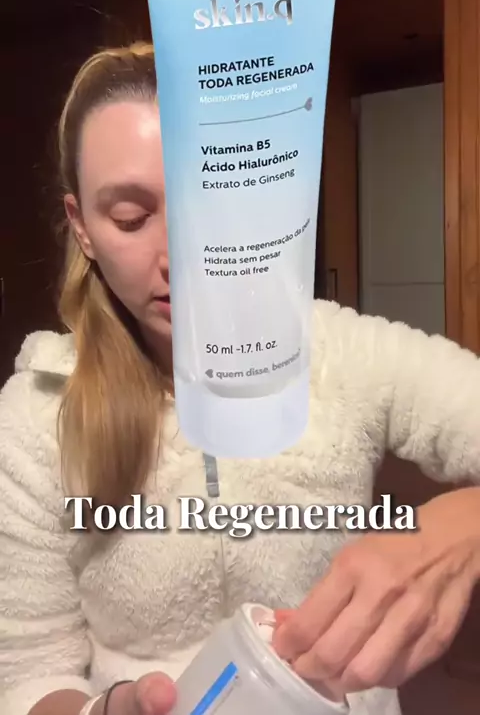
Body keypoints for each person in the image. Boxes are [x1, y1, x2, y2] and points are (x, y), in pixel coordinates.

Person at [0, 41, 479, 715]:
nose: (182, 257)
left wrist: (460, 528)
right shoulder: (35, 415)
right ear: (81, 227)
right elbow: (27, 674)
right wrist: (102, 711)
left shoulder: (343, 353)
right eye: (131, 218)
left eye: (212, 204)